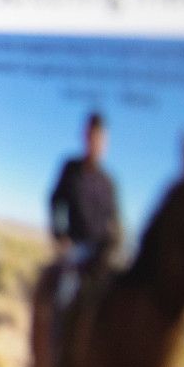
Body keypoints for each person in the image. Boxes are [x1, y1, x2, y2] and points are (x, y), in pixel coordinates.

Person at [50, 111, 122, 313]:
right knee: (65, 293)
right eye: (92, 136)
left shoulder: (108, 182)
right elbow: (55, 201)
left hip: (103, 252)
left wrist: (117, 241)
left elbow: (116, 219)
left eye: (101, 139)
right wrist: (60, 234)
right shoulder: (70, 168)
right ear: (85, 137)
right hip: (76, 247)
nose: (96, 143)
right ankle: (57, 342)